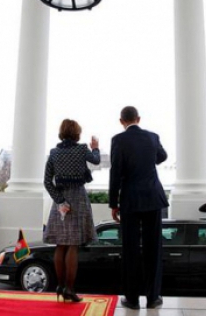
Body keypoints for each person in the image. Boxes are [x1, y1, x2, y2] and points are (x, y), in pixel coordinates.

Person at [108, 106, 169, 309]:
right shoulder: (153, 137)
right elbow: (162, 156)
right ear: (138, 118)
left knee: (130, 249)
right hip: (153, 197)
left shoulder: (118, 140)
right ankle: (153, 297)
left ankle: (132, 299)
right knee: (153, 249)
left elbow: (115, 173)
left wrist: (113, 204)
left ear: (121, 121)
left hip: (130, 200)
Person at [43, 119, 100, 302]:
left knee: (61, 245)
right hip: (78, 199)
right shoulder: (82, 149)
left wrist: (60, 201)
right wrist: (95, 147)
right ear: (77, 133)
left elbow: (46, 182)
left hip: (60, 201)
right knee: (73, 245)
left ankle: (59, 286)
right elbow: (97, 160)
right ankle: (69, 288)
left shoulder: (54, 153)